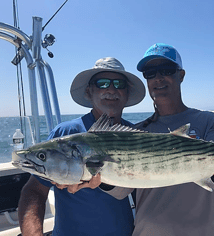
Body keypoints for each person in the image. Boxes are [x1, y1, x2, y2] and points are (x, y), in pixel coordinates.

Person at [93, 44, 214, 235]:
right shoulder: (136, 132)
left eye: (167, 70)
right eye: (150, 73)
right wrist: (96, 172)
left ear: (181, 75)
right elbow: (120, 191)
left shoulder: (212, 120)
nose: (158, 77)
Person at [18, 57, 146, 236]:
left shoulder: (138, 136)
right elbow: (34, 191)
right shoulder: (65, 133)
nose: (111, 89)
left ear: (127, 92)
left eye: (119, 83)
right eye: (102, 83)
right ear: (89, 91)